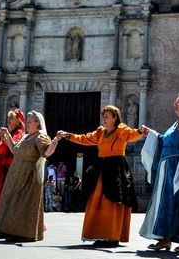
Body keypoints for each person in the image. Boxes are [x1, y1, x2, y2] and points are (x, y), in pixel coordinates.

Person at [58, 105, 142, 247]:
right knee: (97, 200)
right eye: (104, 116)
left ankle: (112, 236)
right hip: (103, 167)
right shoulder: (100, 132)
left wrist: (140, 131)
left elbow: (132, 135)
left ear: (114, 118)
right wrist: (68, 136)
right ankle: (100, 234)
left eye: (107, 116)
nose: (104, 119)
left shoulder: (121, 130)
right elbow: (85, 138)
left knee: (112, 201)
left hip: (116, 168)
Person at [138, 91, 179, 253]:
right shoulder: (174, 125)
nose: (176, 102)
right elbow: (164, 141)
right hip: (167, 170)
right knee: (166, 204)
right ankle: (165, 238)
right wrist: (152, 134)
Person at [0, 110, 53, 242]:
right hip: (16, 174)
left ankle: (25, 233)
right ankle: (13, 231)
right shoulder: (25, 137)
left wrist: (54, 142)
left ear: (37, 123)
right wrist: (7, 137)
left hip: (29, 175)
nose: (27, 124)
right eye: (27, 122)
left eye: (30, 122)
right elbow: (15, 150)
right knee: (13, 202)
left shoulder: (40, 137)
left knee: (22, 203)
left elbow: (46, 153)